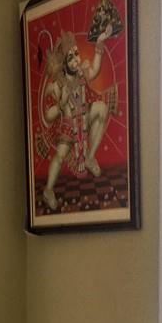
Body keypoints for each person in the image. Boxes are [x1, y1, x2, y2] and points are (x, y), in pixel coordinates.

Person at [39, 23, 112, 211]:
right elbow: (48, 115)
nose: (75, 61)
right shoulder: (58, 84)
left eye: (76, 55)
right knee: (60, 156)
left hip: (84, 118)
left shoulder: (81, 73)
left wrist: (99, 42)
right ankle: (48, 190)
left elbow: (95, 69)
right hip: (68, 126)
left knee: (102, 108)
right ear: (64, 63)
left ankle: (89, 157)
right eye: (70, 58)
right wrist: (60, 104)